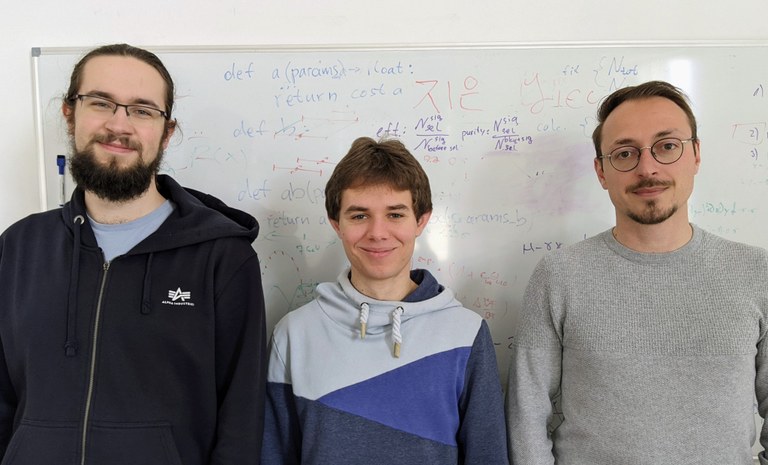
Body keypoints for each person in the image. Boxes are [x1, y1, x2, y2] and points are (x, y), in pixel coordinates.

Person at [0, 44, 267, 464]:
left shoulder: (222, 258)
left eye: (143, 110)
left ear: (167, 131)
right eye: (101, 102)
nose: (118, 124)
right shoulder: (17, 249)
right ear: (69, 114)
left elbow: (241, 423)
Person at [506, 80, 768, 464]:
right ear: (601, 171)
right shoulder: (559, 276)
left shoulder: (756, 273)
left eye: (667, 146)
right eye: (625, 153)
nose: (647, 168)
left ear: (695, 154)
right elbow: (527, 418)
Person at [261, 136, 508, 465]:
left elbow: (487, 456)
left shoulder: (466, 333)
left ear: (421, 221)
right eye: (359, 216)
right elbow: (274, 455)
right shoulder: (293, 334)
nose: (378, 233)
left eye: (395, 215)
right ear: (337, 224)